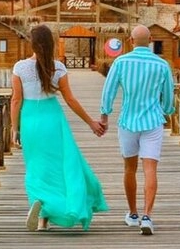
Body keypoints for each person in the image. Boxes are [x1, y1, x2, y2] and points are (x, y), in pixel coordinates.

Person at [10, 24, 108, 232]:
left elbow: (16, 100)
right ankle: (51, 213)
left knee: (36, 167)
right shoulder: (58, 68)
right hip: (53, 121)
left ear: (32, 45)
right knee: (61, 166)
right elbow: (70, 100)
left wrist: (14, 128)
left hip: (30, 122)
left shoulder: (20, 68)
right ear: (51, 44)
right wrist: (91, 122)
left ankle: (41, 209)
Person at [100, 24, 175, 236]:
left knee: (129, 169)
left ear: (131, 41)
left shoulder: (121, 62)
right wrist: (167, 110)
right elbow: (169, 96)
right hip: (153, 122)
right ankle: (147, 216)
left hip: (128, 122)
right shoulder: (162, 64)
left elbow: (108, 91)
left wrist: (105, 114)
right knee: (150, 169)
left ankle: (133, 214)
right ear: (150, 40)